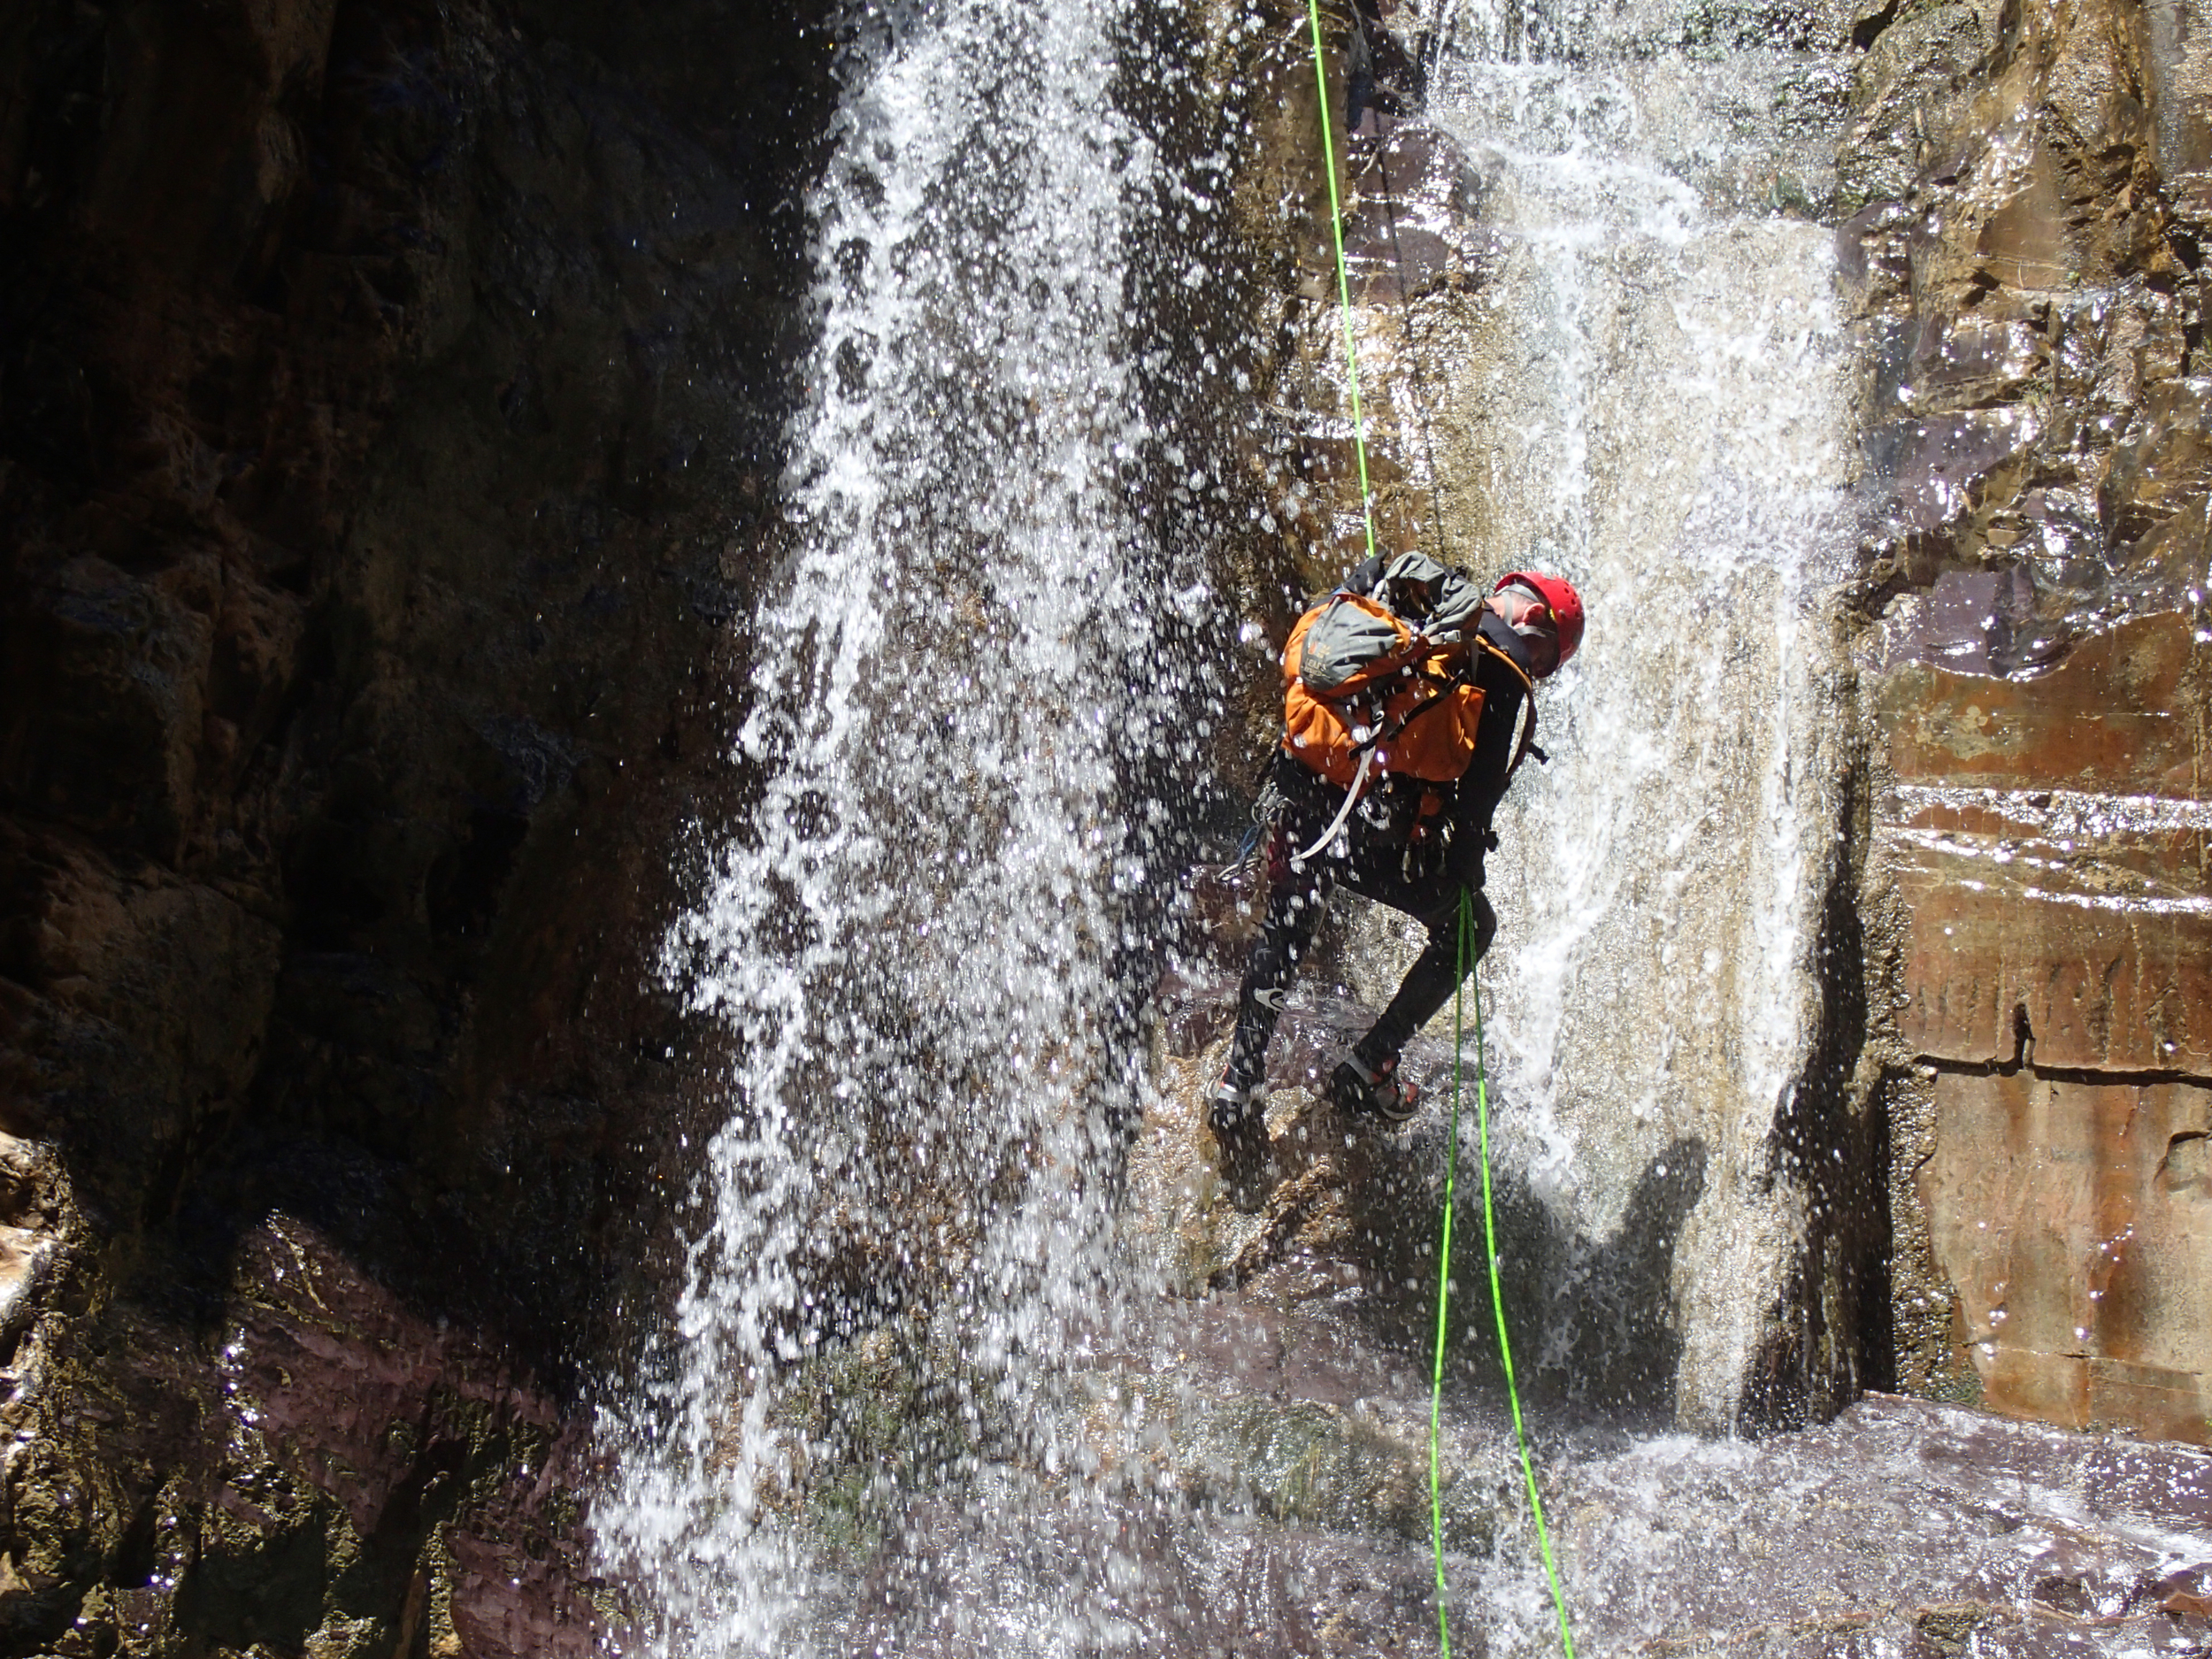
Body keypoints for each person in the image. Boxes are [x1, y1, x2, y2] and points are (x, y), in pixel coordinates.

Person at [1211, 554, 1584, 1187]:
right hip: (1369, 831)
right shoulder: (1498, 669)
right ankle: (1369, 1067)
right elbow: (1473, 818)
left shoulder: (1401, 592)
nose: (1539, 673)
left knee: (1292, 916)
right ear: (1537, 626)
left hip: (1302, 788)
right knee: (1473, 926)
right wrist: (1461, 876)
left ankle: (1237, 1082)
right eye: (1547, 660)